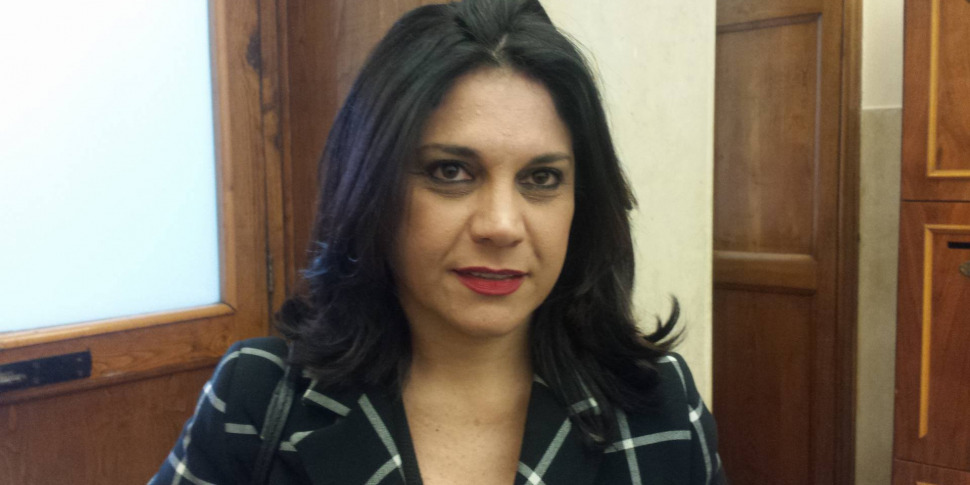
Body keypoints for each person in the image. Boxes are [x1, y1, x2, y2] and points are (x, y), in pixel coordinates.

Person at [150, 0, 725, 483]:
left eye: (542, 178)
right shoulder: (256, 398)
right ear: (371, 185)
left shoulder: (661, 406)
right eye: (452, 172)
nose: (502, 225)